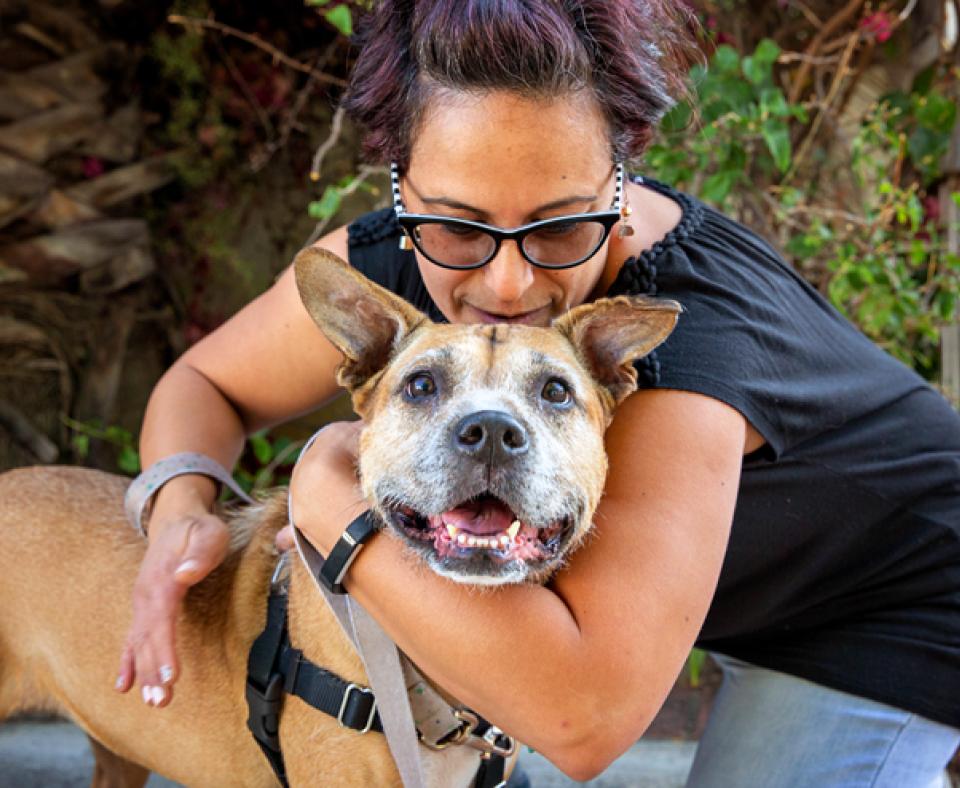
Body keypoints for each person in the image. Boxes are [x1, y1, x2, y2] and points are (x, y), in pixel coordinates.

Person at [114, 1, 960, 784]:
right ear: (403, 188)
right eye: (456, 224)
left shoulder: (688, 345)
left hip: (895, 602)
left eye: (559, 225)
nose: (508, 281)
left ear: (621, 181)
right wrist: (180, 507)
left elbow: (583, 718)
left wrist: (326, 498)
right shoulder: (399, 267)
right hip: (732, 599)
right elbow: (206, 382)